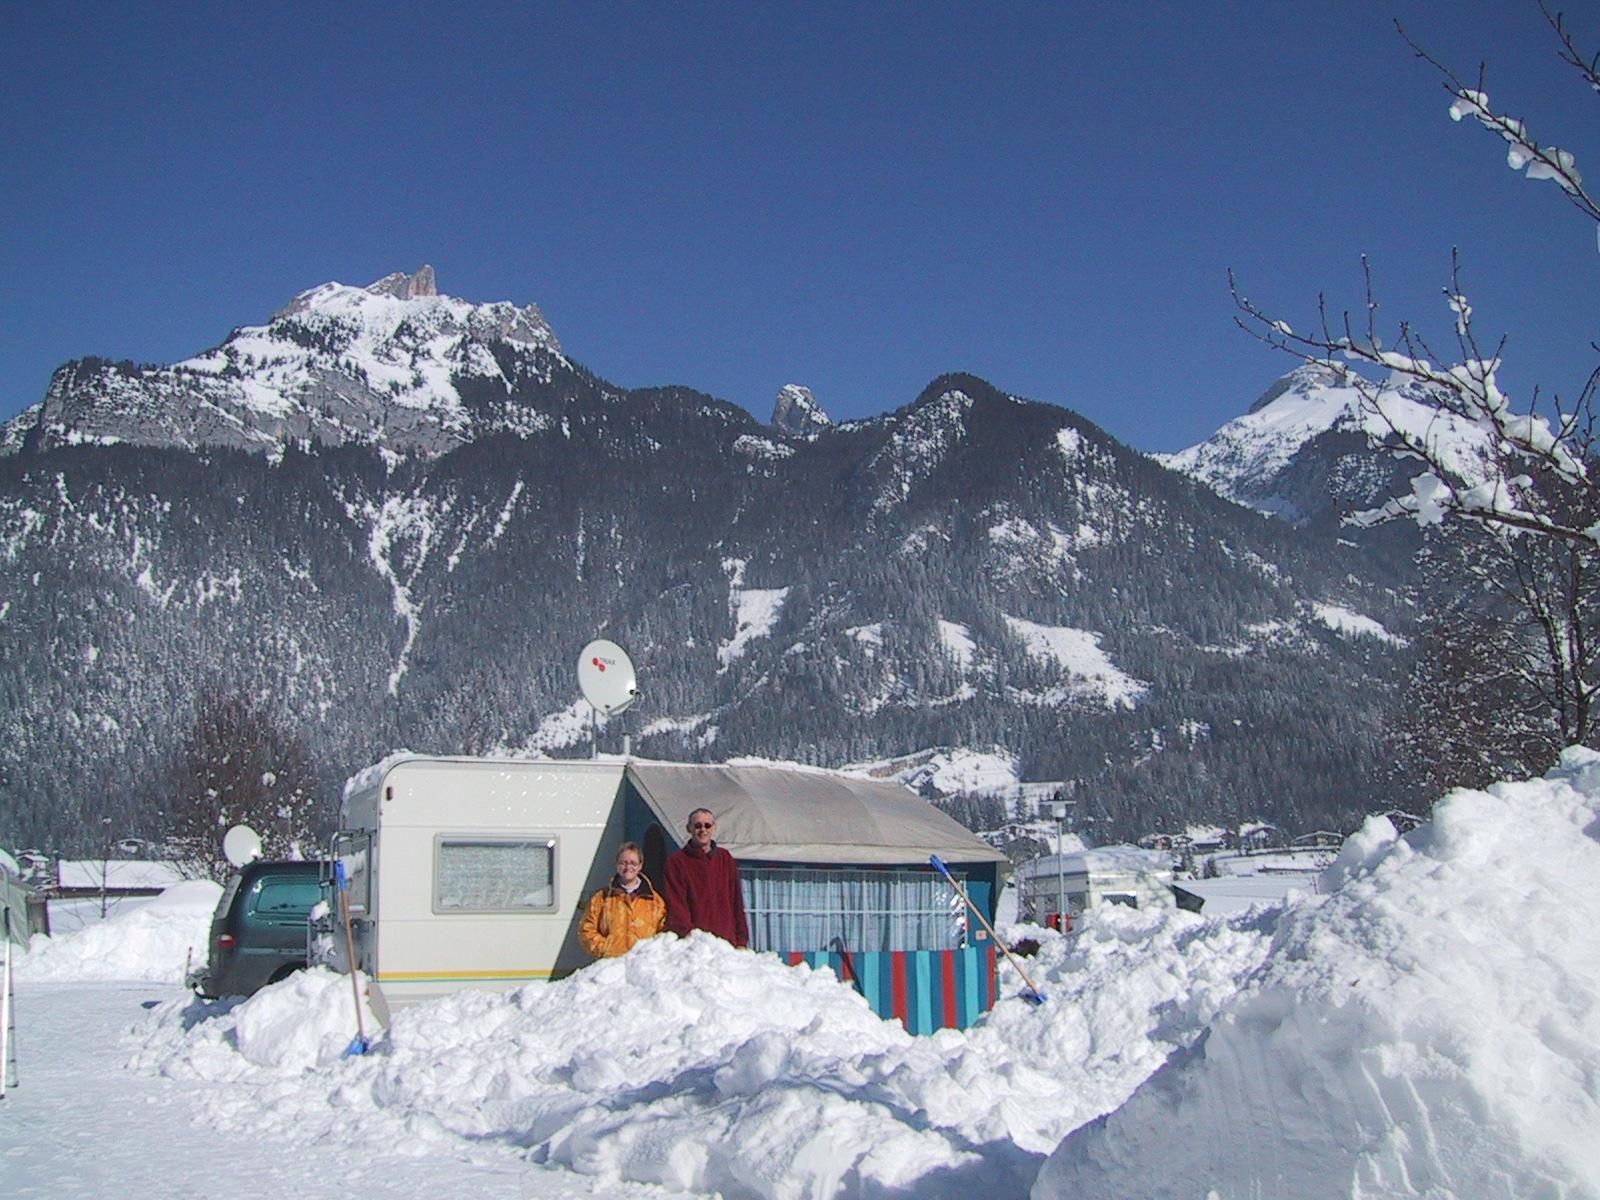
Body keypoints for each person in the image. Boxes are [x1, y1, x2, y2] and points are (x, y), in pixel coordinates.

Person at [663, 807, 749, 948]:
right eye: (697, 826)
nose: (703, 830)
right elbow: (677, 907)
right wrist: (689, 937)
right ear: (688, 828)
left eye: (707, 825)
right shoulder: (677, 862)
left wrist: (741, 939)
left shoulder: (725, 859)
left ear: (714, 828)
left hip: (726, 943)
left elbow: (736, 901)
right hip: (695, 947)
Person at [578, 842, 666, 958]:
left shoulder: (654, 901)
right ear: (617, 865)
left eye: (633, 863)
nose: (628, 867)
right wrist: (605, 948)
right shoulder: (602, 898)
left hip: (643, 965)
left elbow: (663, 932)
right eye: (623, 863)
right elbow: (586, 930)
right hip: (611, 966)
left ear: (640, 866)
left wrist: (653, 952)